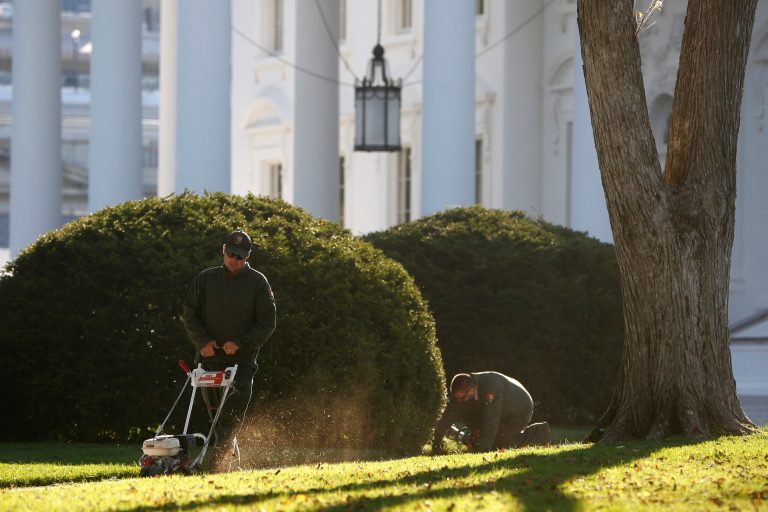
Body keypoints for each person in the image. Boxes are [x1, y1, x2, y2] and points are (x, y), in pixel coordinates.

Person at [182, 229, 276, 470]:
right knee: (216, 417)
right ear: (223, 250)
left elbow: (267, 323)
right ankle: (230, 466)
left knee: (230, 416)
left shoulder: (258, 282)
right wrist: (202, 341)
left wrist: (241, 343)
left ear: (248, 256)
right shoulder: (205, 279)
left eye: (241, 256)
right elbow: (190, 314)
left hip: (241, 363)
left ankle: (214, 465)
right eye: (231, 254)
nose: (235, 260)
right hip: (208, 360)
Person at [431, 371, 549, 453]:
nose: (459, 401)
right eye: (457, 398)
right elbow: (450, 413)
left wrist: (483, 449)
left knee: (498, 442)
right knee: (482, 433)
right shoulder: (468, 389)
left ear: (471, 389)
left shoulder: (491, 387)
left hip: (519, 412)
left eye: (462, 398)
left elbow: (491, 420)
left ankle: (538, 432)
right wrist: (436, 442)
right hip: (501, 408)